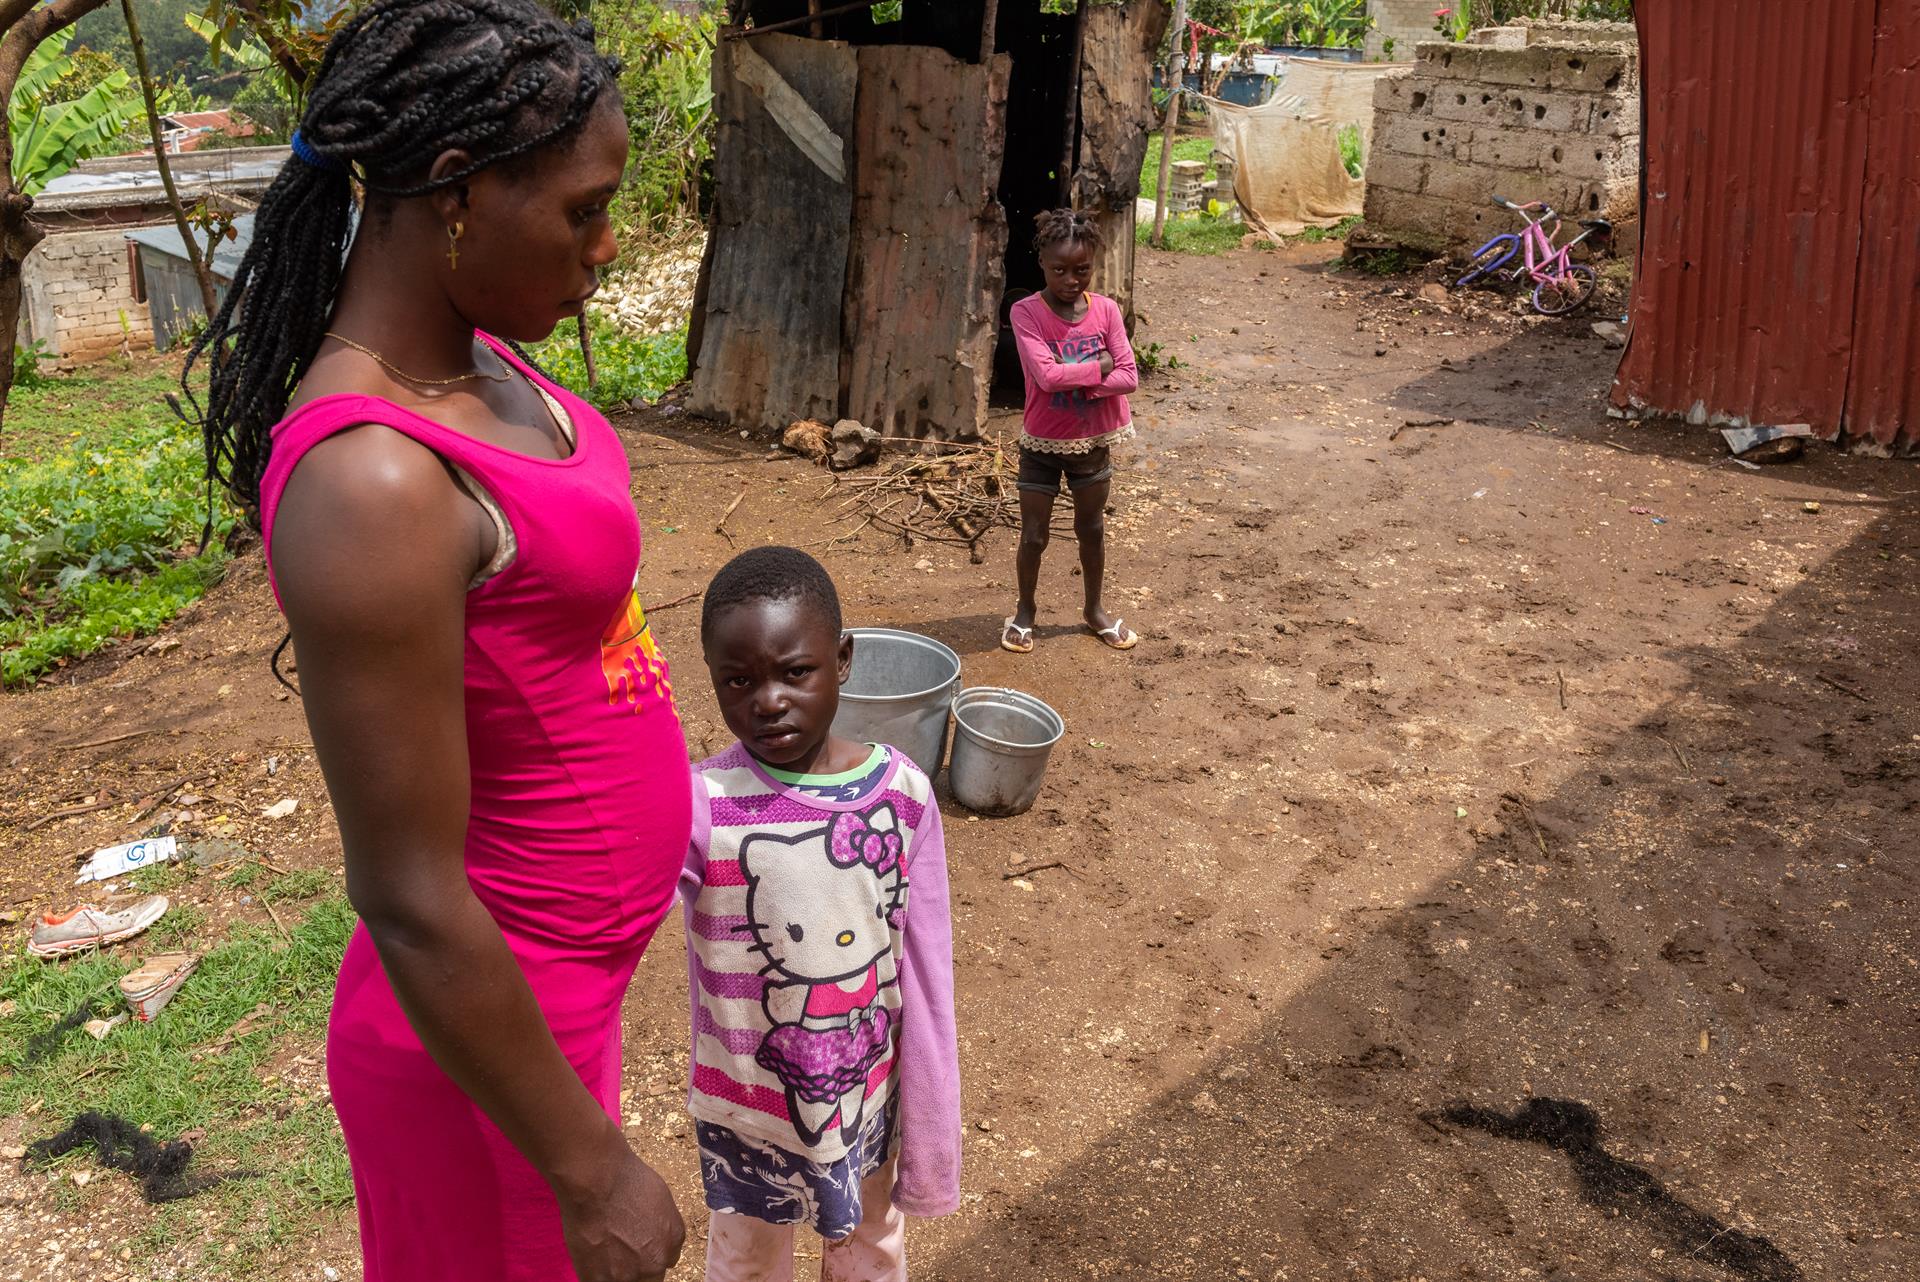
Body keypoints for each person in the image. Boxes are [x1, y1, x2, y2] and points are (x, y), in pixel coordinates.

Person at [185, 2, 687, 1278]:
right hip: (485, 1057)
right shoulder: (373, 482)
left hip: (552, 1006)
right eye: (582, 210)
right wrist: (593, 1169)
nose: (606, 247)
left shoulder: (485, 369)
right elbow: (405, 892)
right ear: (457, 193)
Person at [680, 547, 960, 1282]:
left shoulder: (904, 795)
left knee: (869, 1255)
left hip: (867, 1105)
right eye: (737, 681)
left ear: (843, 660)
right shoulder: (700, 804)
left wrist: (929, 1140)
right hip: (748, 1113)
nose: (766, 700)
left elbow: (927, 977)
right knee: (744, 1265)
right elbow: (612, 911)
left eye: (794, 672)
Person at [1001, 208, 1141, 655]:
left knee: (1092, 529)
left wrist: (1075, 371)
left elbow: (1129, 376)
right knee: (1034, 535)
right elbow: (1044, 377)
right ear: (1041, 262)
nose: (1070, 280)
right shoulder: (1026, 313)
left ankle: (1094, 610)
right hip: (1041, 442)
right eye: (1059, 269)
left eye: (1082, 270)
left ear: (1093, 265)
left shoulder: (1106, 311)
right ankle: (1024, 611)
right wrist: (1099, 367)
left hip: (1093, 443)